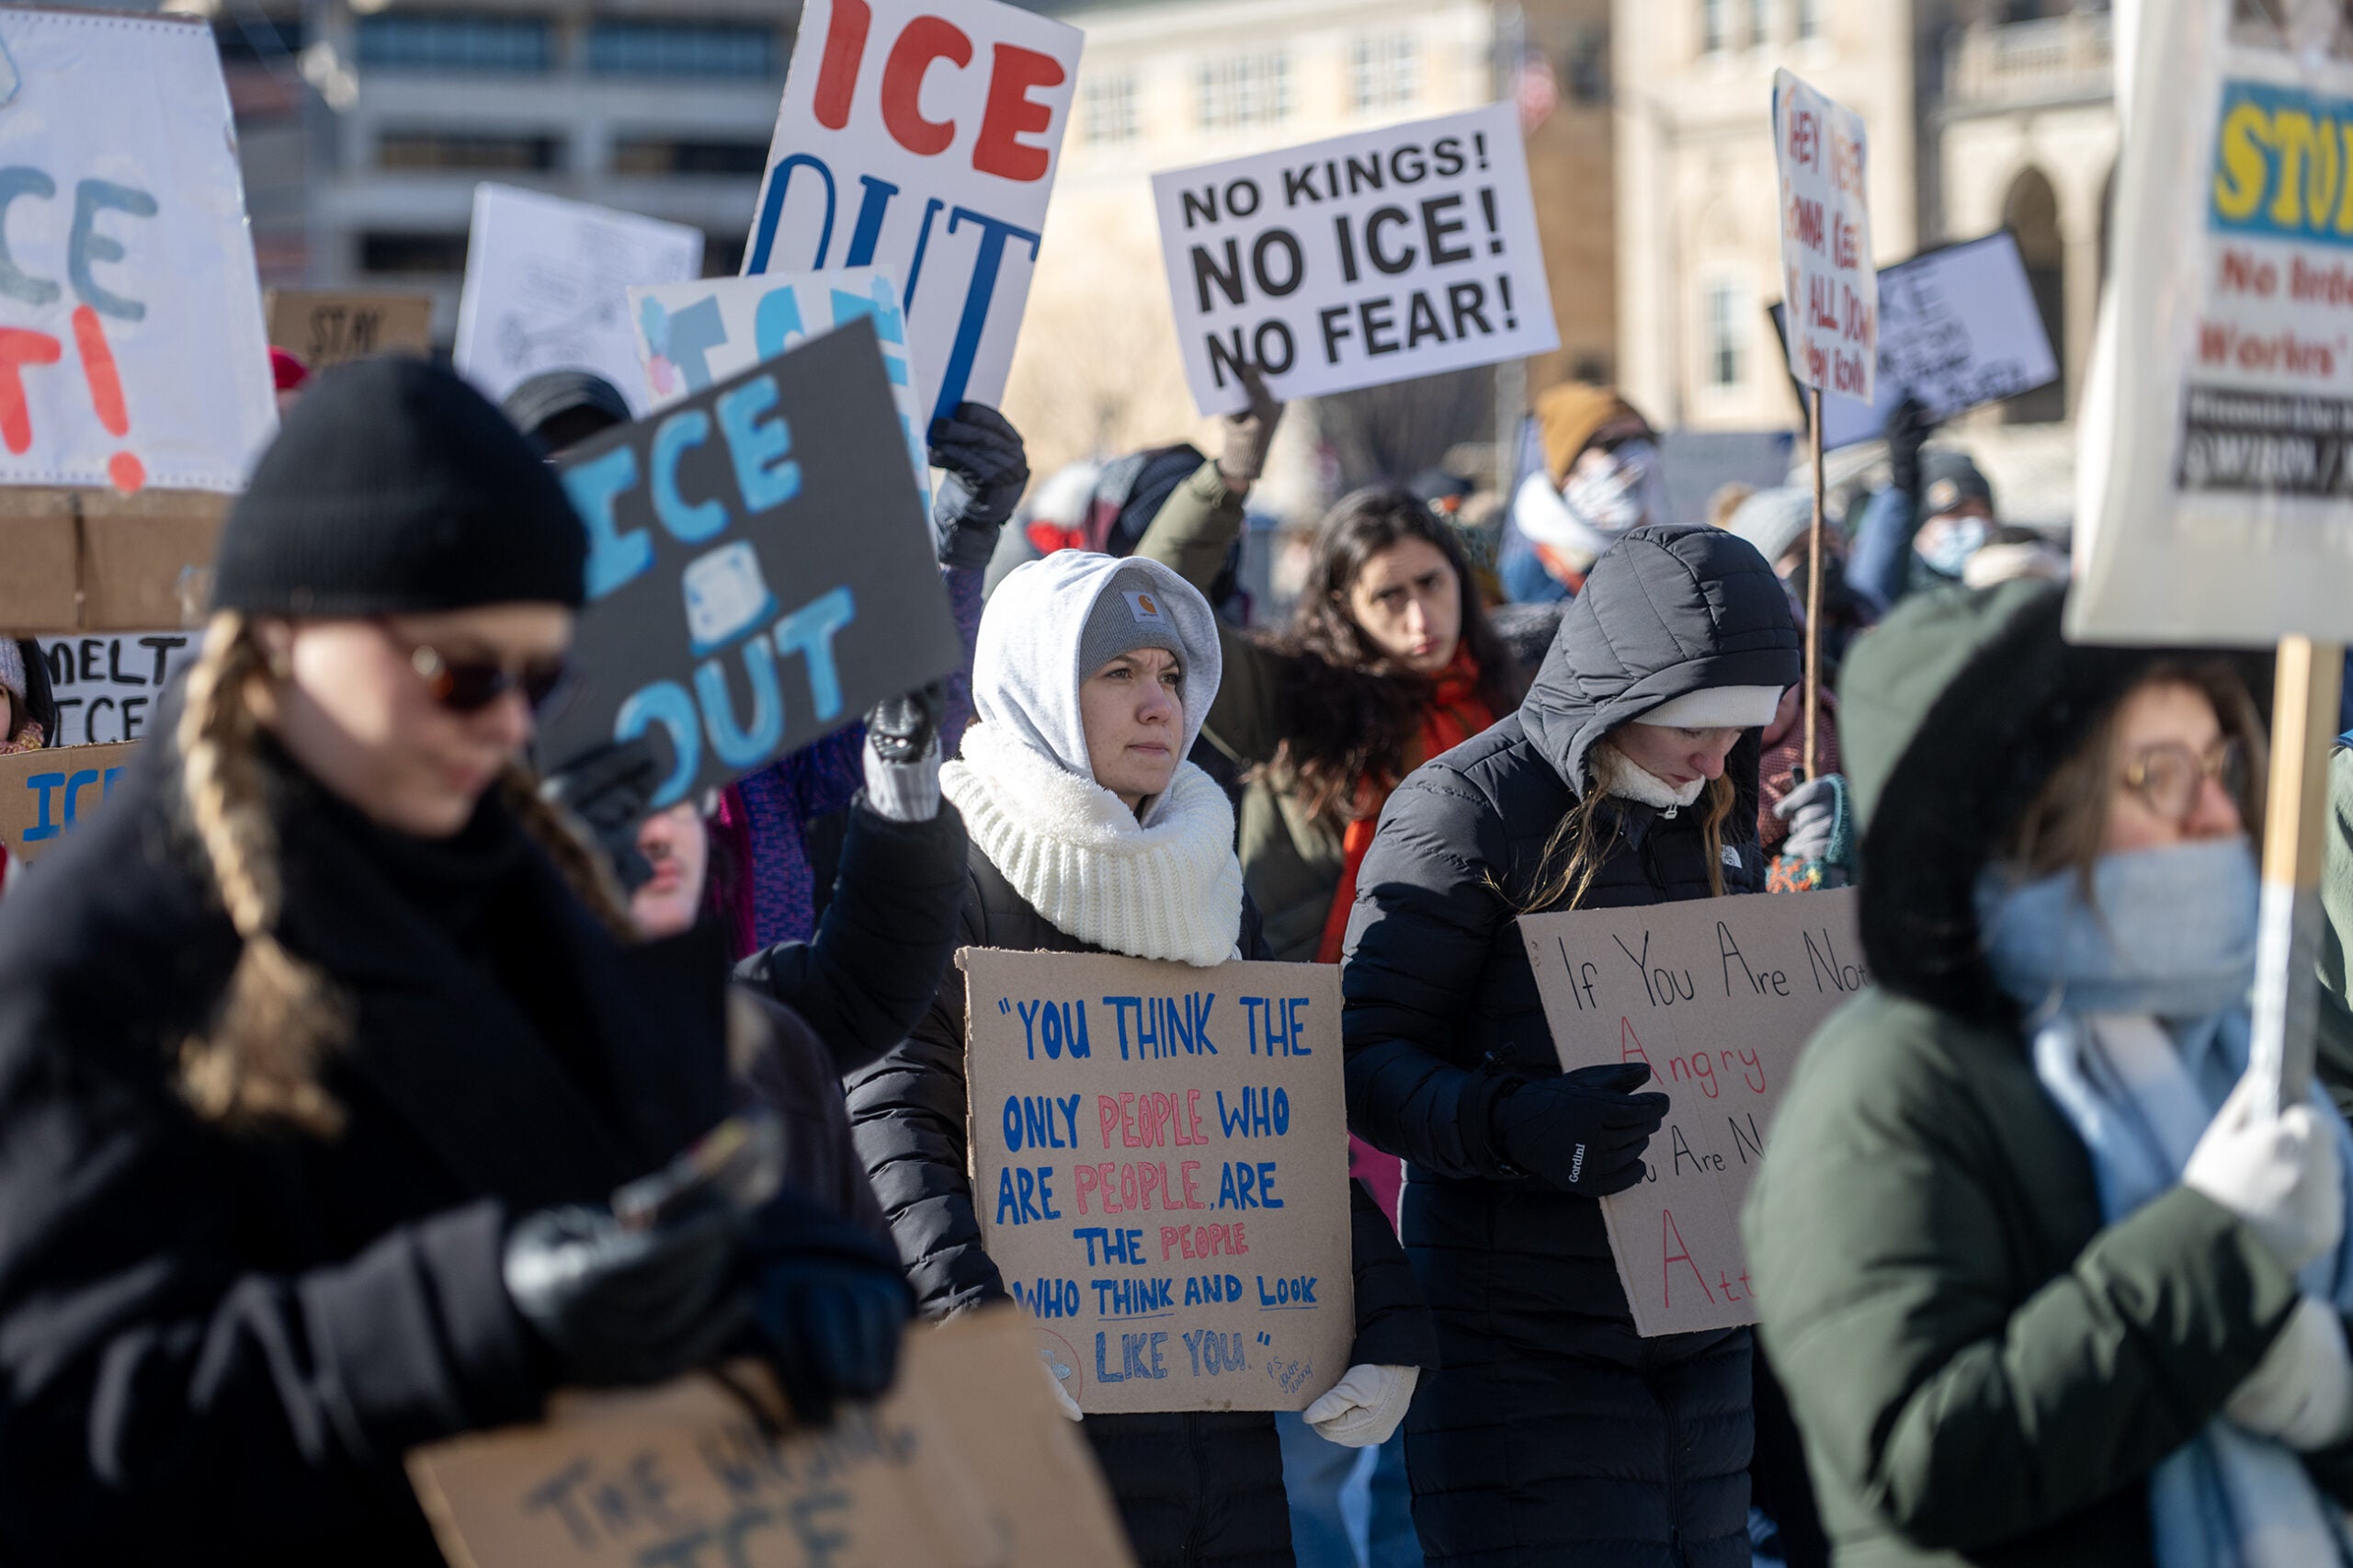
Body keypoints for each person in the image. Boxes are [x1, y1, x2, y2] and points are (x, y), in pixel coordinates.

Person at [0, 360, 910, 1563]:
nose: (509, 722)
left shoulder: (532, 899)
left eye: (539, 676)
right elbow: (56, 1434)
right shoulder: (93, 955)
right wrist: (470, 1313)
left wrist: (785, 1260)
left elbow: (660, 1176)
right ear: (289, 629)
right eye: (461, 669)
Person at [847, 551, 1437, 1568]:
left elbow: (1272, 1124)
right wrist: (975, 1327)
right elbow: (895, 1121)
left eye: (1170, 673)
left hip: (1220, 1435)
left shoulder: (1205, 874)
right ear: (1037, 686)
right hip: (1040, 1437)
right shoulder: (947, 874)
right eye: (1117, 673)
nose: (1159, 702)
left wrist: (1380, 1311)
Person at [1745, 581, 2353, 1565]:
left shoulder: (2225, 1040)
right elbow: (1920, 1460)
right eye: (2156, 773)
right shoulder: (1891, 1080)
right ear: (2016, 805)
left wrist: (2326, 1396)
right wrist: (2215, 1253)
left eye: (2219, 765)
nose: (2215, 810)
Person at [1343, 523, 1802, 1567]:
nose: (1715, 758)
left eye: (1739, 730)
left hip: (1701, 1340)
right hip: (1520, 1342)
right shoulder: (1465, 808)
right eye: (1693, 727)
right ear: (1622, 693)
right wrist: (1515, 1124)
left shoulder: (1714, 806)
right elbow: (1362, 1056)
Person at [502, 369, 1023, 960]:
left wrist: (961, 542)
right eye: (557, 486)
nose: (588, 518)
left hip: (761, 1014)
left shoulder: (738, 685)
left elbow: (900, 732)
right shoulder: (479, 725)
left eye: (609, 477)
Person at [1500, 384, 1665, 603]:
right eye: (1612, 443)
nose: (1638, 455)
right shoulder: (1522, 582)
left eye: (1644, 440)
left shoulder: (1670, 563)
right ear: (1568, 469)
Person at [1847, 398, 1998, 614]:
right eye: (1952, 512)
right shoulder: (1904, 590)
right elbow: (1870, 591)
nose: (1967, 522)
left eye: (1978, 511)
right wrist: (1901, 487)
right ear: (1920, 525)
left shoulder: (2005, 586)